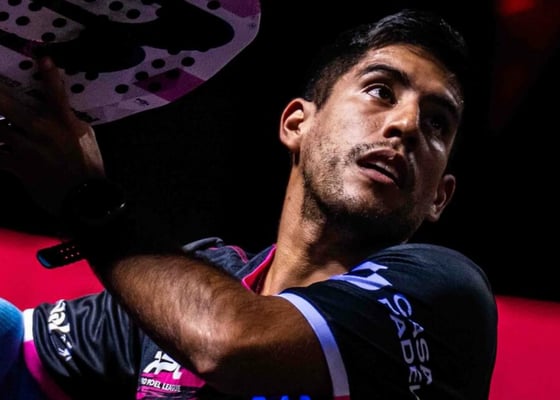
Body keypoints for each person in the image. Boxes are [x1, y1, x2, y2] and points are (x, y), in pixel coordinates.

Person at [0, 8, 497, 400]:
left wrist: (88, 201)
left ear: (439, 196)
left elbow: (228, 344)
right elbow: (14, 350)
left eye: (437, 123)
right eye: (380, 91)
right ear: (297, 124)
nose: (406, 125)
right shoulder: (201, 276)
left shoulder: (444, 298)